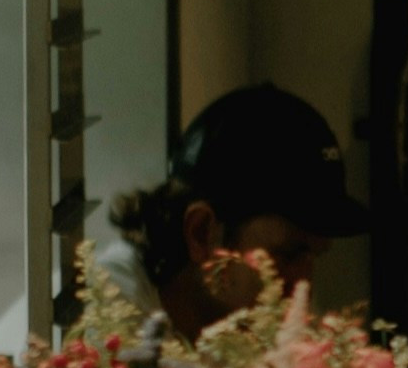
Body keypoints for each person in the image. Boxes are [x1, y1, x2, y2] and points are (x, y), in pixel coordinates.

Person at [98, 85, 369, 337]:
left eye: (314, 256)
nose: (304, 290)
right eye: (287, 255)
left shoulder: (266, 307)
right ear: (201, 234)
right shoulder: (112, 307)